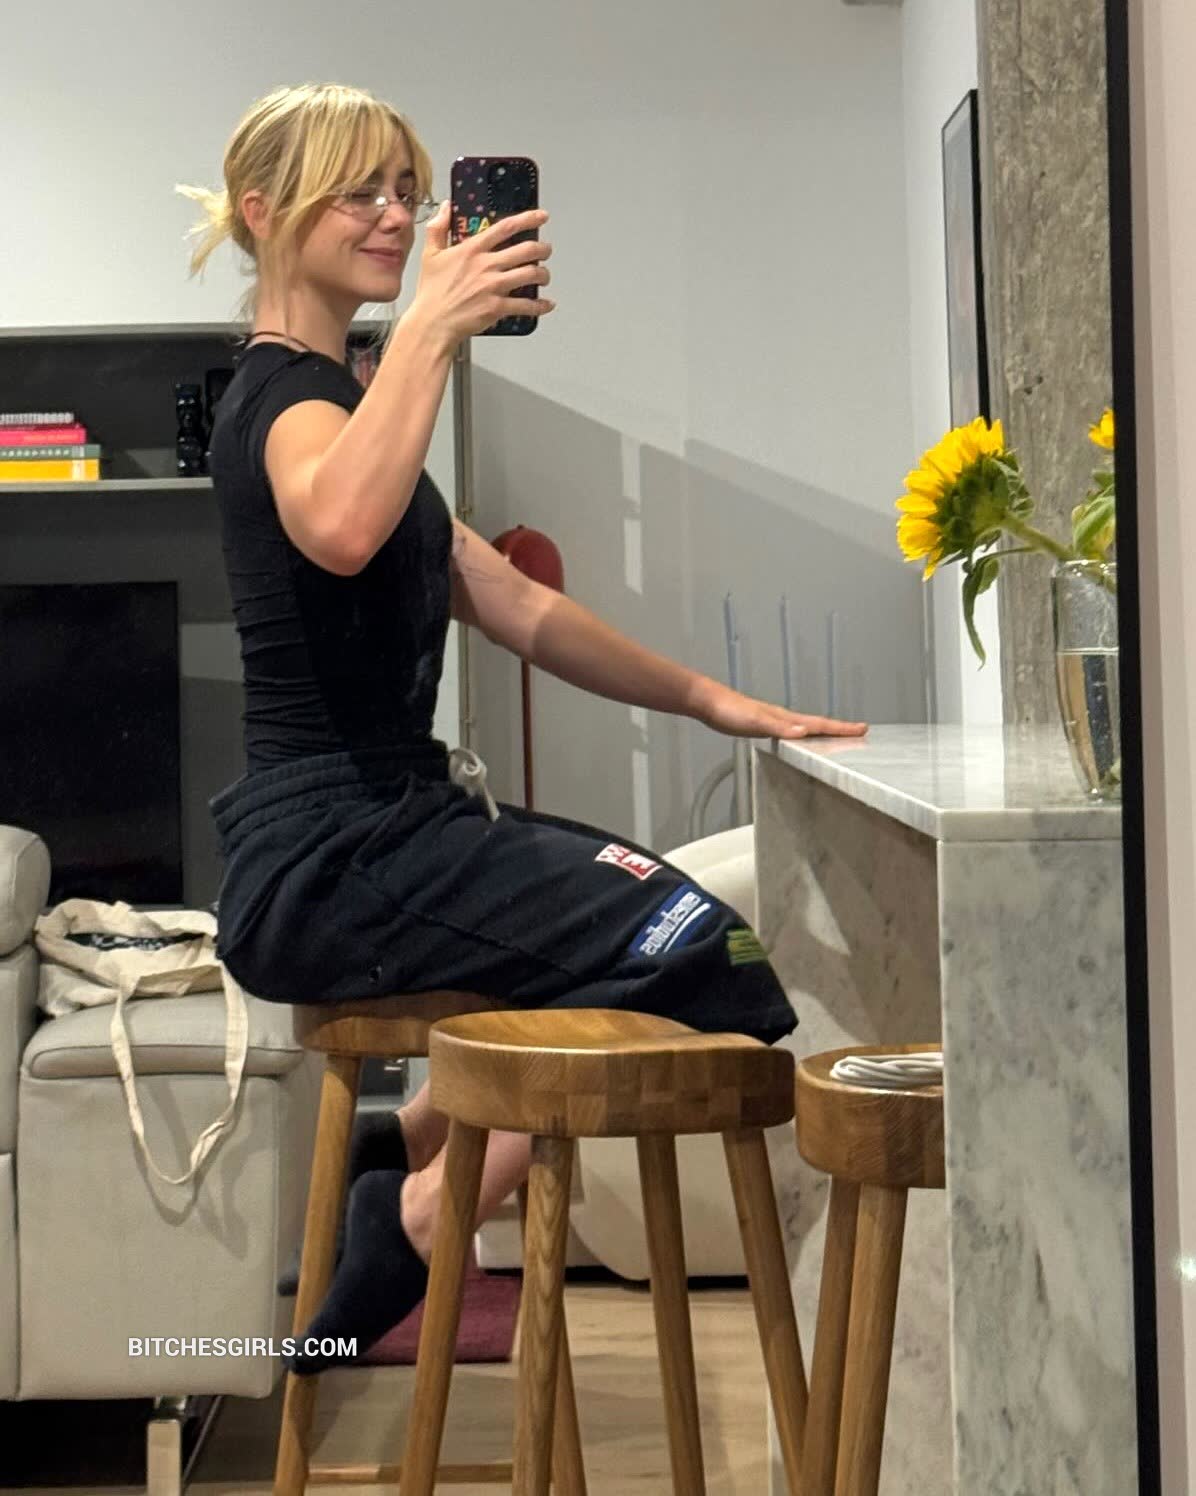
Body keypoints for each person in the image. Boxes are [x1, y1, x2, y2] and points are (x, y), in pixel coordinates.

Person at [177, 81, 867, 1375]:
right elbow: (340, 527)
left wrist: (718, 701)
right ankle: (417, 1215)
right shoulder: (285, 401)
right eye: (358, 191)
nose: (396, 215)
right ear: (263, 212)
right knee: (699, 947)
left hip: (397, 829)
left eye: (406, 189)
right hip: (330, 857)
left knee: (677, 920)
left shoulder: (352, 401)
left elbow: (516, 601)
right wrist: (431, 332)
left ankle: (415, 1134)